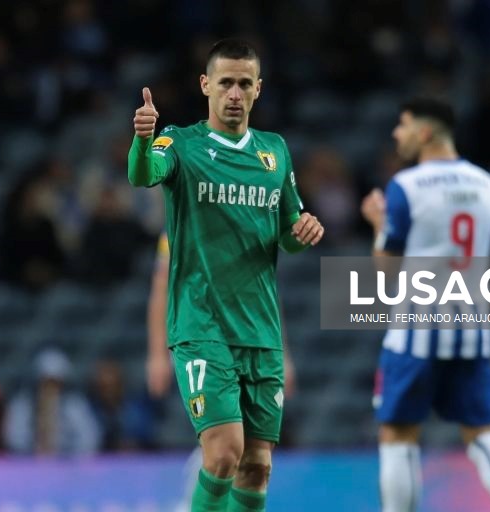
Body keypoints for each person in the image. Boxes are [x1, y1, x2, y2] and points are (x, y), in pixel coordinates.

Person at [129, 38, 324, 511]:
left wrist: (304, 231)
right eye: (225, 83)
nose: (234, 93)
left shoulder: (274, 153)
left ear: (258, 89)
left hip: (260, 330)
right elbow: (143, 174)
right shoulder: (181, 142)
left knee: (257, 466)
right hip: (201, 324)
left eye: (243, 84)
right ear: (205, 86)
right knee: (222, 454)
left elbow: (287, 235)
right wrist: (141, 139)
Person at [361, 96, 490, 512]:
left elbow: (387, 271)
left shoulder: (406, 187)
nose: (395, 134)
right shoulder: (486, 183)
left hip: (416, 329)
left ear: (424, 131)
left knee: (398, 435)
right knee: (483, 432)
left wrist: (379, 226)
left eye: (402, 126)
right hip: (471, 327)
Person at [146, 232, 298, 512]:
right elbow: (161, 284)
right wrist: (157, 354)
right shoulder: (185, 220)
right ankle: (200, 497)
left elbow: (265, 289)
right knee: (220, 446)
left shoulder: (249, 212)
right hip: (204, 342)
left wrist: (282, 353)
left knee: (250, 456)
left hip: (252, 342)